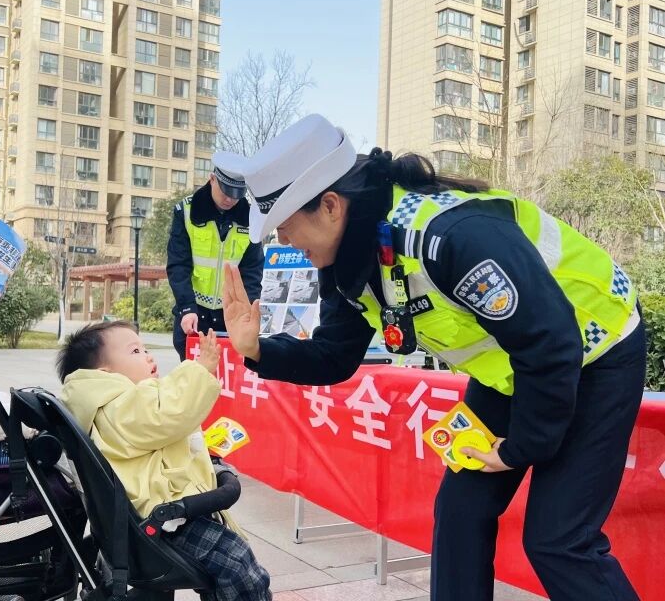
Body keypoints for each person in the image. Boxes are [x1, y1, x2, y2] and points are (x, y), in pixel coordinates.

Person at [219, 114, 645, 600]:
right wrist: (256, 349)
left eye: (284, 227)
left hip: (596, 350)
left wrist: (519, 449)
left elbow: (551, 343)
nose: (283, 242)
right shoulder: (349, 258)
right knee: (461, 512)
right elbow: (335, 355)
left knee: (558, 540)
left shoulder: (449, 237)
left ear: (331, 206)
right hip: (513, 368)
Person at [57, 322, 273, 601]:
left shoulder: (120, 405)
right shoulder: (115, 406)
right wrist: (199, 370)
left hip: (156, 517)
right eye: (135, 351)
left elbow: (159, 432)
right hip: (161, 523)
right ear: (104, 374)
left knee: (227, 563)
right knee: (237, 563)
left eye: (146, 348)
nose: (148, 356)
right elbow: (169, 413)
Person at [167, 165, 265, 360]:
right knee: (194, 376)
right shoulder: (185, 211)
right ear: (212, 179)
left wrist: (246, 314)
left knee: (232, 375)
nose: (230, 199)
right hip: (194, 313)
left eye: (236, 194)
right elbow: (178, 265)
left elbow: (252, 272)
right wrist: (186, 307)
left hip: (230, 315)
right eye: (225, 192)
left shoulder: (251, 219)